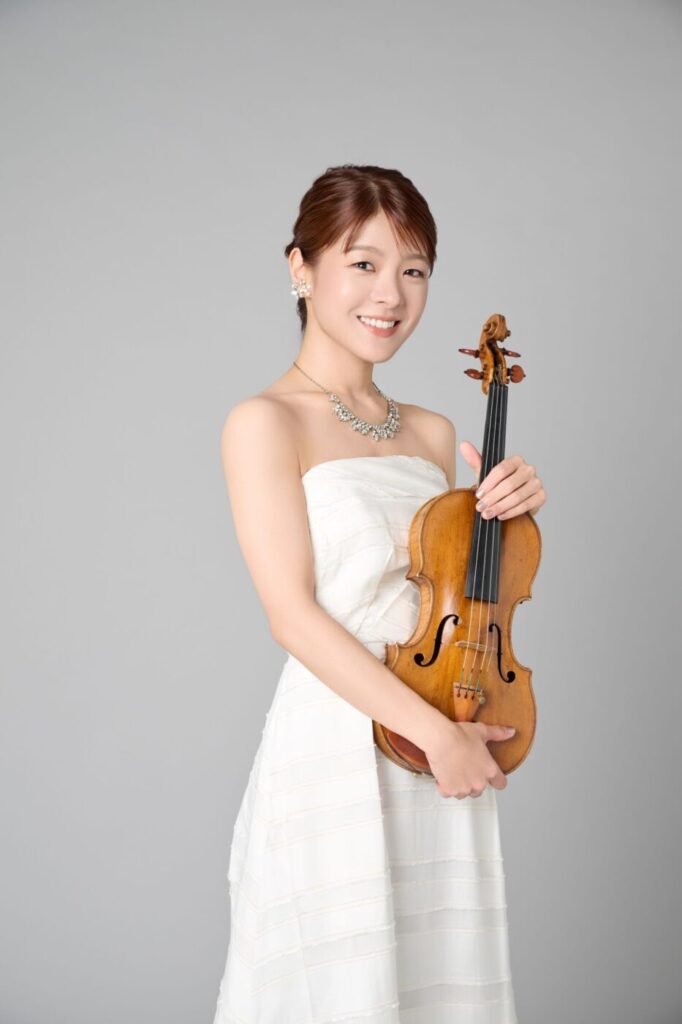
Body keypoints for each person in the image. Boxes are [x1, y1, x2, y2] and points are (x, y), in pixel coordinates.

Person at [212, 164, 546, 1024]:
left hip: (441, 732)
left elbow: (453, 599)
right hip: (344, 742)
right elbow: (292, 615)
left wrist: (506, 518)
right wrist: (437, 738)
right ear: (301, 268)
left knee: (437, 985)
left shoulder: (433, 431)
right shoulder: (264, 422)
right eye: (362, 264)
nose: (390, 294)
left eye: (414, 269)